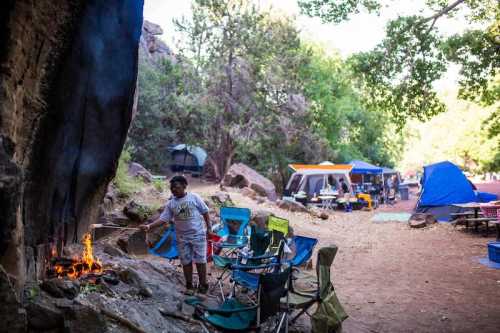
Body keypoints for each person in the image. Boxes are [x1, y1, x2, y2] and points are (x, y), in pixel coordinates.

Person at [140, 175, 212, 295]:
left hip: (198, 235)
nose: (173, 190)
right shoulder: (171, 203)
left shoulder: (194, 197)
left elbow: (205, 211)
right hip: (182, 238)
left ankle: (203, 285)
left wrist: (209, 228)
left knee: (200, 261)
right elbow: (164, 219)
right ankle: (189, 285)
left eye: (176, 187)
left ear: (184, 186)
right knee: (186, 262)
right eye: (171, 188)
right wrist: (149, 226)